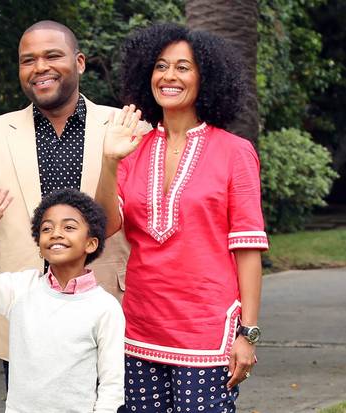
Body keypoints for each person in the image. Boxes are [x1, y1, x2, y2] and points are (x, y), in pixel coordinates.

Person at [0, 20, 147, 377]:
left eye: (52, 55)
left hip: (103, 305)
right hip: (22, 312)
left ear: (80, 62)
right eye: (28, 60)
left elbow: (123, 220)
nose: (40, 67)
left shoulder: (126, 126)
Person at [95, 23, 269, 412]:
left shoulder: (235, 152)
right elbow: (105, 226)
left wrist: (248, 334)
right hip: (140, 328)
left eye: (183, 67)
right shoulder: (132, 147)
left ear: (205, 78)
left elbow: (248, 248)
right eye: (160, 66)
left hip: (207, 332)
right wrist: (110, 163)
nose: (169, 76)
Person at [0, 188, 125, 413]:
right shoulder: (21, 289)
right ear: (39, 245)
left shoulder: (105, 307)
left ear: (91, 244)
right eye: (47, 228)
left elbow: (112, 385)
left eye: (69, 227)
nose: (56, 233)